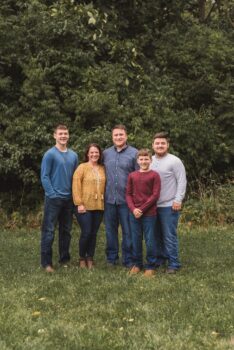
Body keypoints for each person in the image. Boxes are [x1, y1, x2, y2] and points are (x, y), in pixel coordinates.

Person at [40, 124, 78, 272]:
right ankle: (47, 263)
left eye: (65, 134)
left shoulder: (73, 155)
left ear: (68, 136)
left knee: (66, 231)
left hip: (69, 199)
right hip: (53, 199)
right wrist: (52, 194)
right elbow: (44, 176)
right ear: (54, 136)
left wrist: (74, 196)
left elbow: (75, 178)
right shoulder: (50, 154)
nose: (63, 136)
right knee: (49, 231)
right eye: (60, 134)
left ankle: (64, 259)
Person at [150, 132, 187, 274]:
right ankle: (160, 259)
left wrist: (178, 200)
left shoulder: (174, 161)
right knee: (156, 235)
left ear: (167, 145)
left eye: (162, 143)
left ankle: (174, 263)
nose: (160, 145)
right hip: (152, 206)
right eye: (157, 143)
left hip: (169, 205)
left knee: (169, 236)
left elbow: (182, 181)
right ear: (153, 145)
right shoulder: (149, 160)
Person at [103, 124, 138, 267]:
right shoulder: (105, 153)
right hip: (109, 199)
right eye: (116, 135)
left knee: (127, 232)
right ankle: (112, 258)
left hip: (127, 201)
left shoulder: (134, 153)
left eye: (121, 135)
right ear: (112, 137)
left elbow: (138, 177)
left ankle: (128, 259)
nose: (118, 137)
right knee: (110, 231)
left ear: (126, 136)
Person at [126, 149, 161, 276]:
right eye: (141, 159)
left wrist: (142, 209)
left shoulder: (154, 175)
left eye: (146, 159)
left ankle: (151, 265)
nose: (144, 161)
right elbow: (128, 194)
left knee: (150, 240)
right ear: (137, 161)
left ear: (151, 160)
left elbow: (155, 195)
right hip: (134, 213)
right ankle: (137, 264)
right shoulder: (132, 175)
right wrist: (134, 209)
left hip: (149, 214)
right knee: (135, 239)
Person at [72, 143, 106, 269]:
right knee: (86, 232)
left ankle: (90, 257)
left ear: (100, 154)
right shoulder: (82, 167)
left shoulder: (103, 168)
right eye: (91, 152)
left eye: (96, 152)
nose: (94, 154)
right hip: (84, 205)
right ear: (87, 154)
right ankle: (82, 257)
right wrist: (79, 203)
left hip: (99, 205)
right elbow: (76, 186)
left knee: (93, 233)